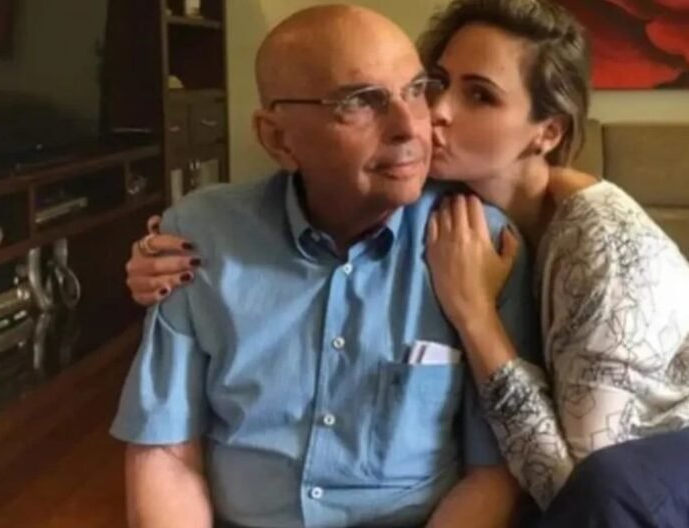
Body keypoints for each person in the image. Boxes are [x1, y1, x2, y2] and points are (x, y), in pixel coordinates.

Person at [127, 0, 689, 527]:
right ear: (278, 137)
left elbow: (567, 483)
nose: (427, 117)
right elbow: (167, 446)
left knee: (597, 498)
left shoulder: (585, 241)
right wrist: (163, 258)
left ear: (544, 132)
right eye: (435, 83)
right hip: (644, 474)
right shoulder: (213, 236)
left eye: (476, 95)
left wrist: (474, 313)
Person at [111, 5, 541, 528]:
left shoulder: (481, 245)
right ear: (278, 138)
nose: (410, 127)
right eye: (361, 101)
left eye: (416, 90)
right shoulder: (200, 237)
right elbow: (166, 452)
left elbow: (492, 473)